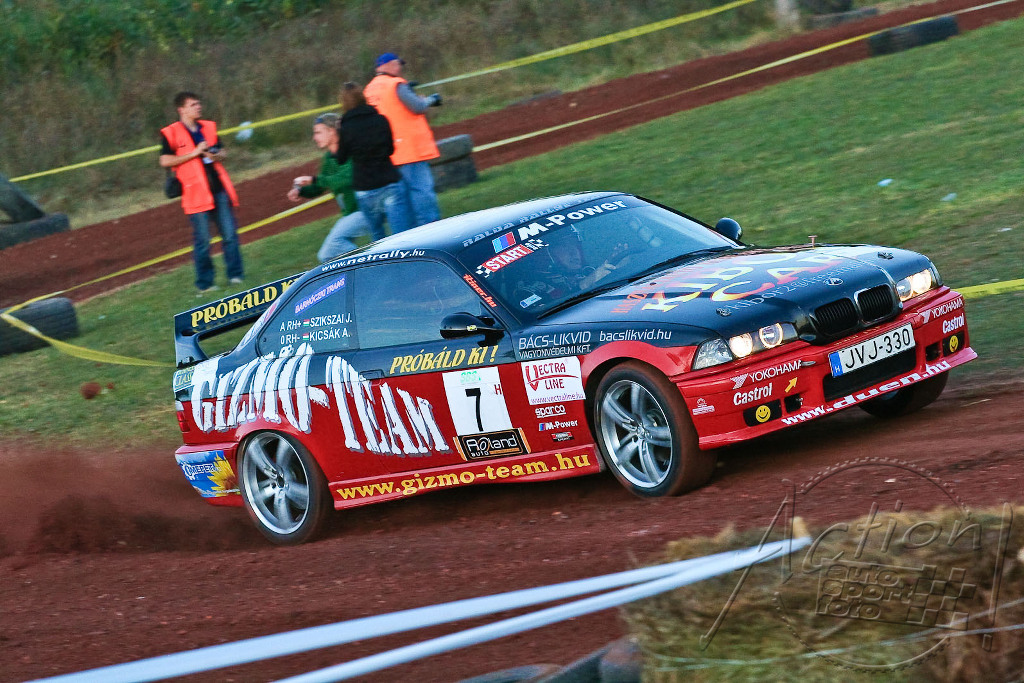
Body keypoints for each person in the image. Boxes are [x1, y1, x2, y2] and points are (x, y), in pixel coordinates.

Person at [159, 91, 244, 294]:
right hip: (195, 195)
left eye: (198, 103)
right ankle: (205, 284)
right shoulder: (171, 133)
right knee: (203, 241)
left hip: (218, 189)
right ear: (182, 110)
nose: (198, 107)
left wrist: (216, 155)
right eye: (193, 105)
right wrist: (194, 153)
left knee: (230, 235)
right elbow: (165, 161)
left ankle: (236, 276)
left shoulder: (208, 127)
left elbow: (223, 152)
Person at [364, 52, 443, 227]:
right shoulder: (396, 84)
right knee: (421, 192)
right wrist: (431, 99)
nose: (400, 68)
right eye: (398, 64)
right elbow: (418, 107)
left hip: (387, 153)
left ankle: (405, 236)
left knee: (400, 200)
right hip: (409, 150)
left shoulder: (369, 90)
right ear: (390, 64)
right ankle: (432, 229)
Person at [288, 113, 375, 262]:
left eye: (318, 132)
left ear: (332, 131)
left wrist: (314, 179)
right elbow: (321, 185)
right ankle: (368, 265)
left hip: (367, 209)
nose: (315, 137)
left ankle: (371, 264)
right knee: (332, 255)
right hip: (351, 213)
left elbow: (345, 179)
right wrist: (301, 191)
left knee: (330, 250)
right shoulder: (329, 158)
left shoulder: (351, 151)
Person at [335, 82, 412, 237]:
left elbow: (341, 158)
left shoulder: (345, 128)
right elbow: (390, 150)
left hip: (365, 186)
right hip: (388, 180)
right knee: (402, 236)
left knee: (378, 237)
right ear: (363, 97)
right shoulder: (381, 120)